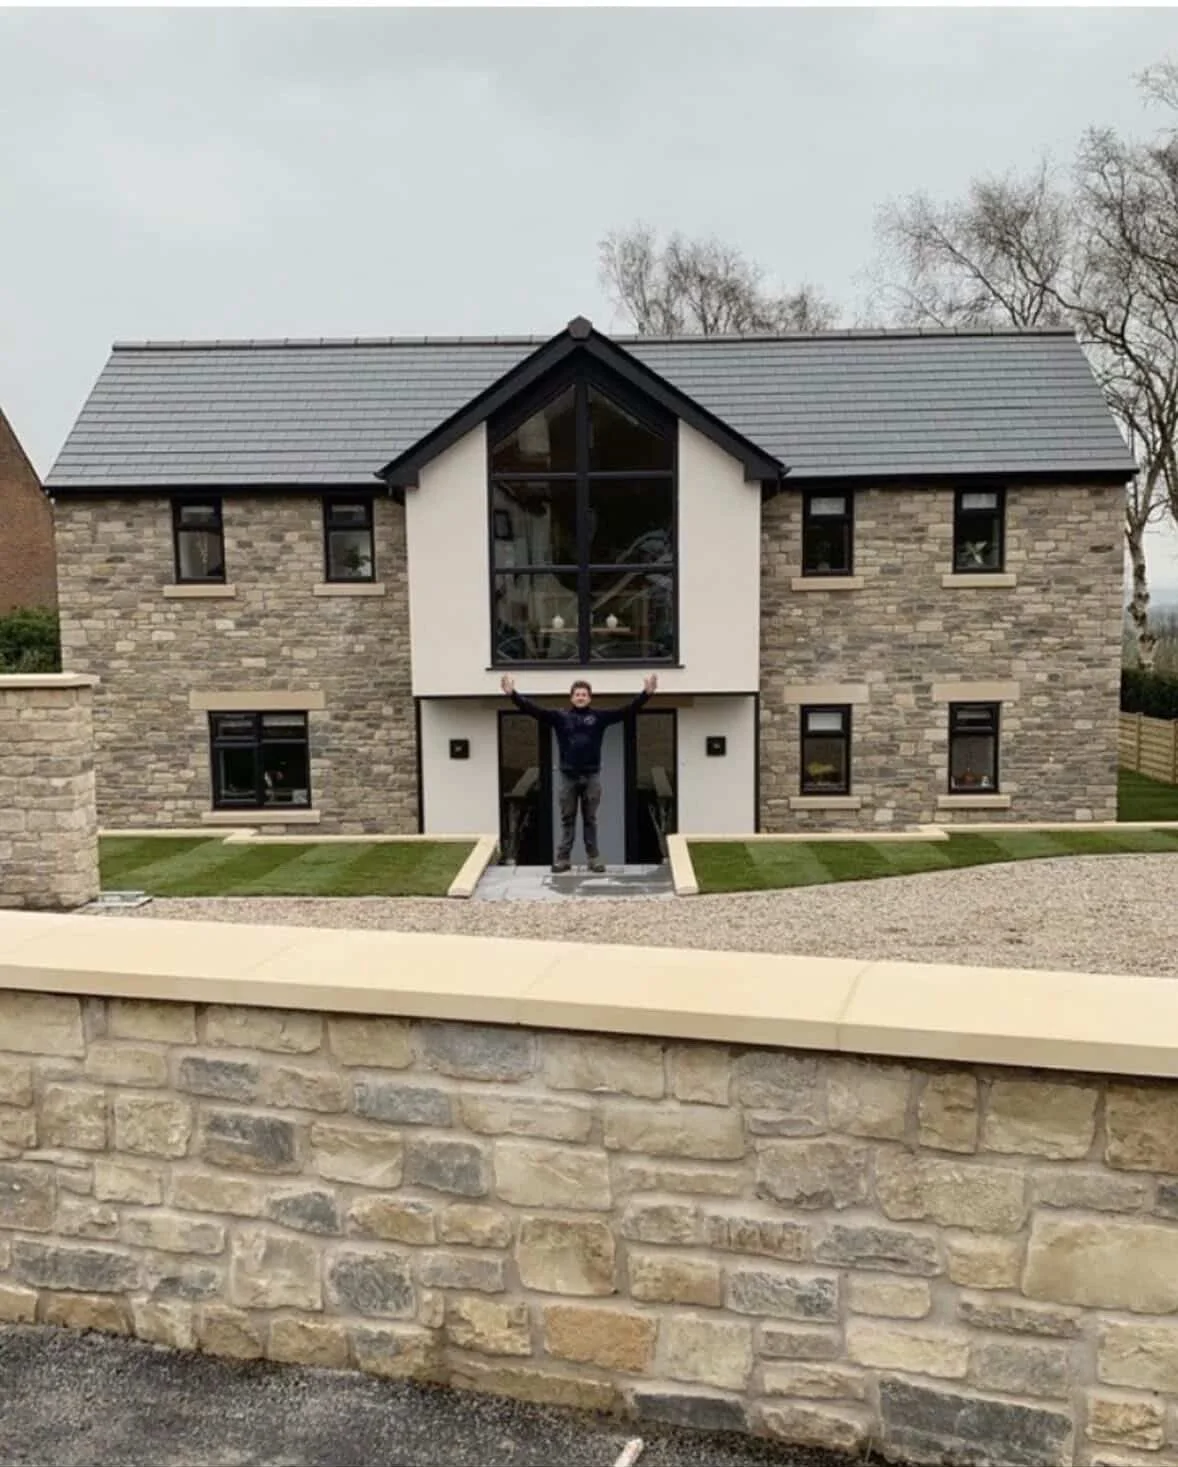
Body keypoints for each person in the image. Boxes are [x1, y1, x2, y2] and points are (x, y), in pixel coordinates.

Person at [500, 672, 659, 873]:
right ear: (571, 698)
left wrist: (646, 694)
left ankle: (594, 859)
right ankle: (563, 859)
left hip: (591, 776)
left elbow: (626, 712)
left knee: (590, 819)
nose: (581, 697)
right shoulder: (560, 717)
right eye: (577, 694)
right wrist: (513, 694)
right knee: (567, 819)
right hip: (568, 776)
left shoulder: (598, 718)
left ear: (589, 698)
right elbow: (534, 710)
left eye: (584, 694)